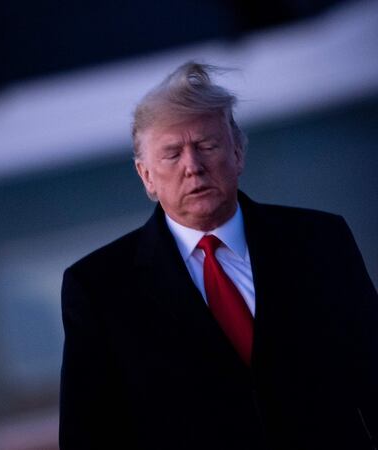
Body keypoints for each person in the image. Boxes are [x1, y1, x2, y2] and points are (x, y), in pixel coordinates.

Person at [59, 61, 378, 450]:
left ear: (238, 153)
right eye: (172, 154)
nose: (193, 166)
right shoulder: (99, 288)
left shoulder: (319, 241)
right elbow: (89, 437)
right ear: (146, 177)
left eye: (207, 146)